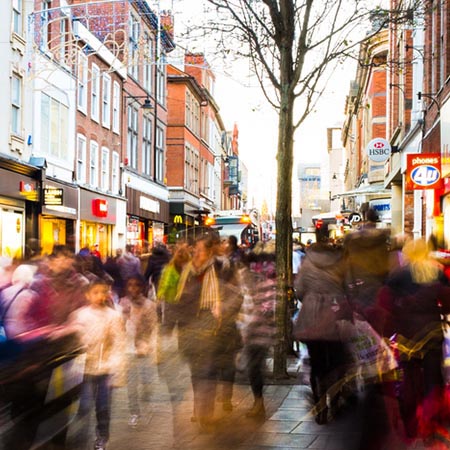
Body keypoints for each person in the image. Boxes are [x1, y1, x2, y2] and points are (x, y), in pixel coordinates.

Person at [374, 238, 450, 445]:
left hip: (406, 335)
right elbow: (448, 303)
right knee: (433, 380)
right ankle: (430, 425)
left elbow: (385, 304)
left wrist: (387, 330)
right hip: (432, 332)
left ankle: (411, 425)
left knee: (408, 377)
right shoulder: (437, 273)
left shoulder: (398, 276)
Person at [294, 242, 351, 424]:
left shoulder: (307, 262)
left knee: (317, 363)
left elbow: (300, 290)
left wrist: (311, 298)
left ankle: (321, 408)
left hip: (312, 316)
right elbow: (348, 286)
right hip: (336, 314)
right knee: (337, 361)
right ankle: (335, 401)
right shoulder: (340, 261)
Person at [70, 278, 126, 450]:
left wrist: (118, 370)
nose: (100, 296)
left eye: (103, 292)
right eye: (95, 292)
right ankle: (79, 436)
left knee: (103, 406)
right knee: (84, 405)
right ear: (88, 295)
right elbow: (74, 341)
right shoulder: (79, 315)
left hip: (105, 369)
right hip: (84, 368)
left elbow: (119, 344)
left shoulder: (113, 316)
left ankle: (102, 436)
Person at [174, 235, 222, 432]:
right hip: (190, 325)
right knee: (196, 370)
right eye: (195, 250)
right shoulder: (187, 270)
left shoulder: (219, 268)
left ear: (209, 252)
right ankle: (199, 406)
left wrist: (220, 311)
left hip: (211, 324)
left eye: (200, 250)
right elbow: (178, 297)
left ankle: (206, 412)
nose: (196, 254)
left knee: (209, 371)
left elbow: (233, 293)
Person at [240, 247, 277, 419]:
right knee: (254, 367)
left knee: (254, 367)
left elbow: (268, 308)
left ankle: (259, 403)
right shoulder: (252, 281)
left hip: (258, 332)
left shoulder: (265, 283)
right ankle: (258, 402)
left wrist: (249, 324)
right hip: (255, 331)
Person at [119, 275, 157, 428]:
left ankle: (147, 402)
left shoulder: (149, 305)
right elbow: (118, 325)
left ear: (142, 287)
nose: (133, 289)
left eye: (136, 286)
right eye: (130, 285)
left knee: (146, 380)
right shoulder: (123, 303)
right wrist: (125, 315)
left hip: (143, 349)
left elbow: (152, 326)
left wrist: (146, 343)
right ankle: (134, 412)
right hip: (128, 350)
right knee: (131, 383)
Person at [157, 243, 191, 333]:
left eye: (184, 262)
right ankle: (165, 343)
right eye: (180, 261)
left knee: (182, 329)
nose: (182, 264)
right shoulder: (170, 269)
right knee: (168, 327)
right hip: (171, 301)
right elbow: (164, 283)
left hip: (184, 303)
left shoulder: (189, 269)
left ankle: (181, 345)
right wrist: (160, 295)